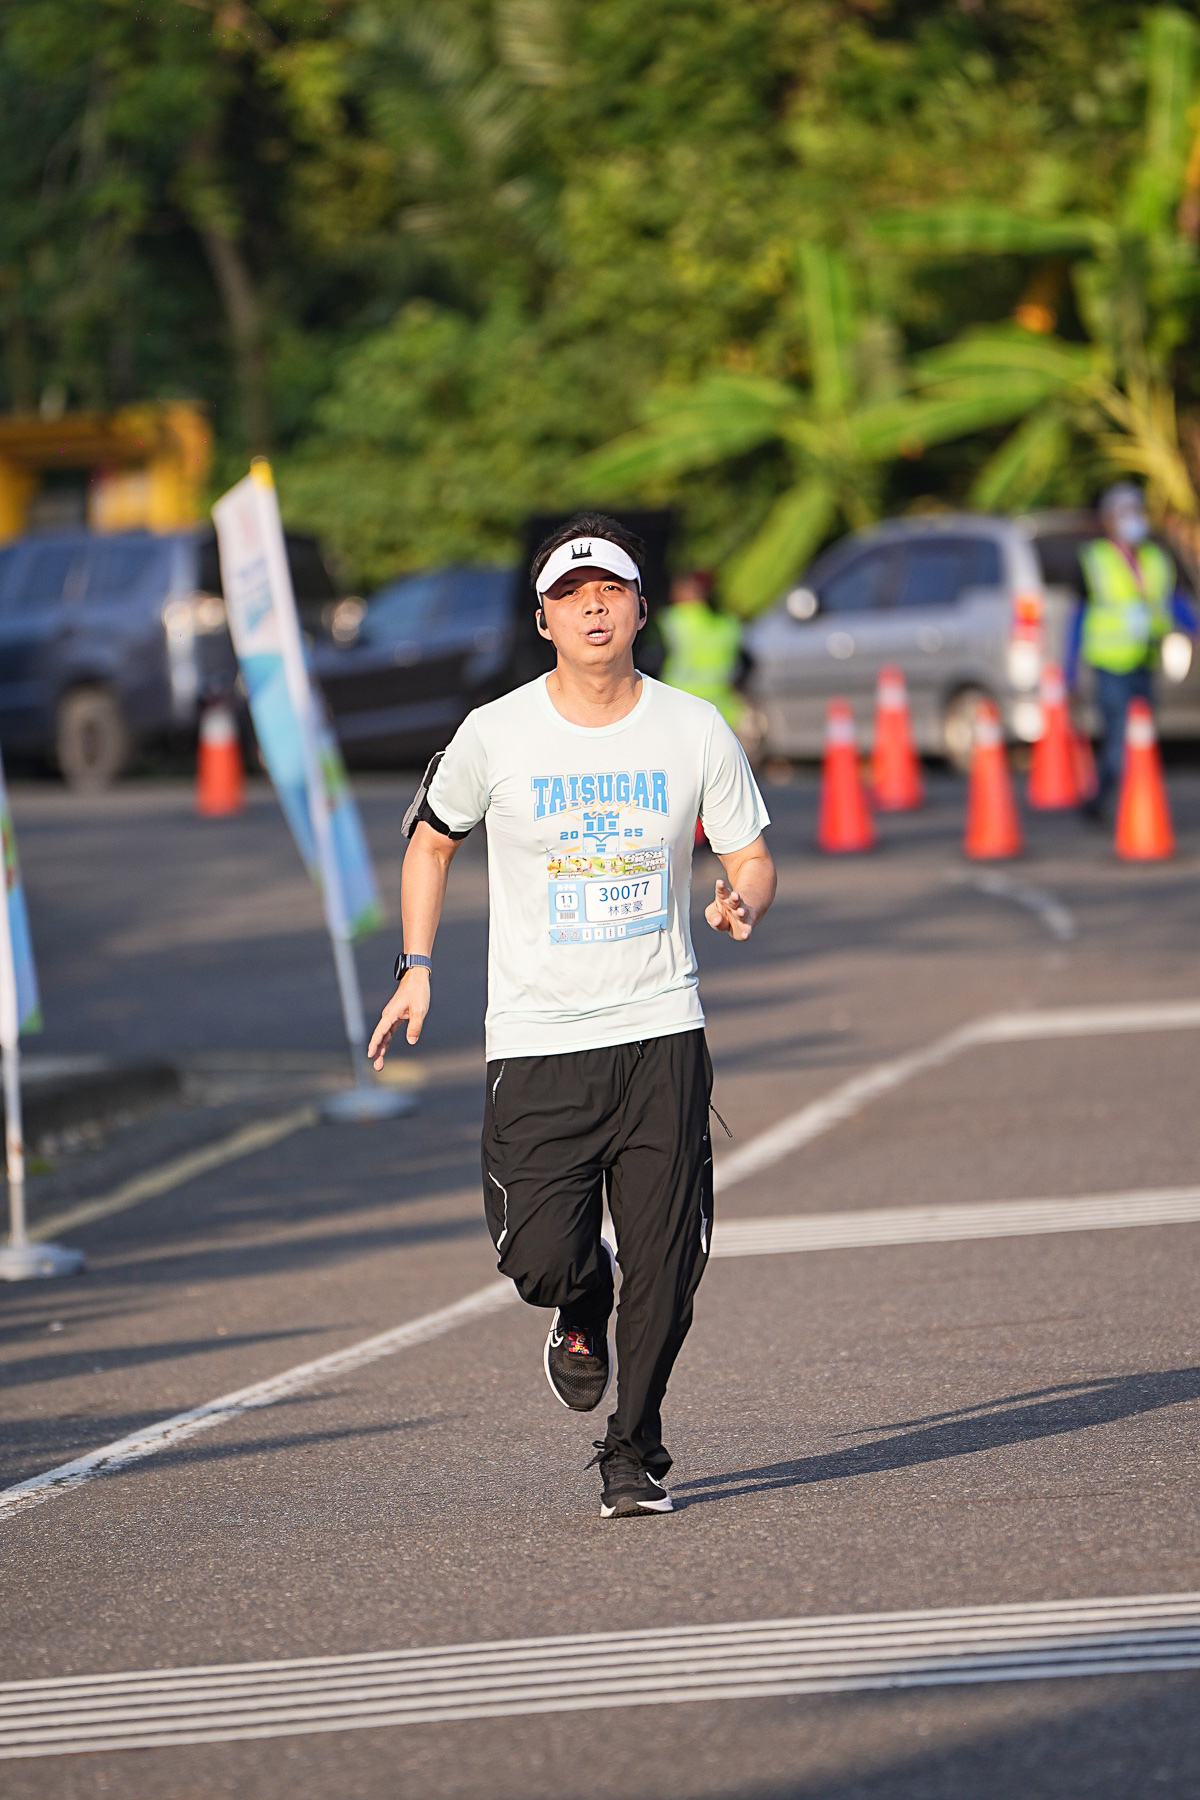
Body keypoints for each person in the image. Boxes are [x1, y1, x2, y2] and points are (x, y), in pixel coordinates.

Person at [368, 513, 776, 1520]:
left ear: (641, 608)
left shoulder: (693, 727)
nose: (593, 608)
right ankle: (582, 1299)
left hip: (659, 1030)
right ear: (543, 619)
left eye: (611, 590)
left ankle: (633, 1449)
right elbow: (430, 840)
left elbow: (750, 852)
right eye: (570, 594)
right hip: (539, 1039)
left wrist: (743, 897)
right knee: (540, 1255)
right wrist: (416, 966)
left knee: (669, 1262)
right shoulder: (496, 732)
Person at [1073, 483, 1178, 817]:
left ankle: (1105, 799)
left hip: (1145, 659)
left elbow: (1172, 602)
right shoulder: (1095, 559)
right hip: (1110, 664)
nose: (1133, 518)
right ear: (1108, 519)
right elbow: (1078, 616)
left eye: (1137, 510)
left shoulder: (1156, 557)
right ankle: (1123, 806)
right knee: (1120, 736)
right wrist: (1069, 669)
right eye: (1124, 512)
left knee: (1142, 736)